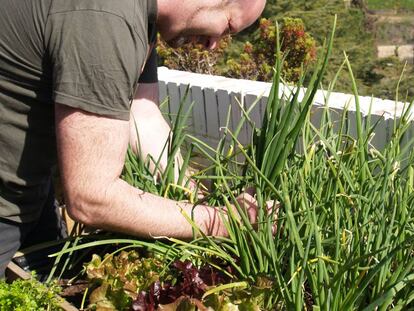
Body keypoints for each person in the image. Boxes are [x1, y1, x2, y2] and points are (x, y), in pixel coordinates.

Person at [0, 0, 266, 277]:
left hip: (29, 186)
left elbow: (143, 115)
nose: (214, 44)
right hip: (5, 201)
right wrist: (221, 223)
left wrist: (198, 198)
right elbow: (92, 197)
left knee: (47, 279)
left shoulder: (141, 14)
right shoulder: (107, 17)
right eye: (228, 25)